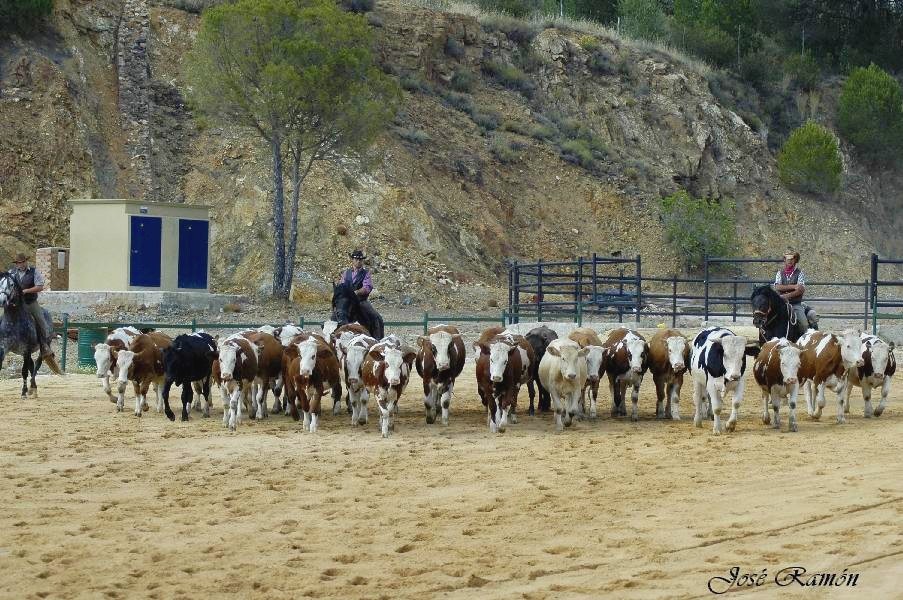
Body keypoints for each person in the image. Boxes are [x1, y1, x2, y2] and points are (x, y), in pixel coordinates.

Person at [9, 252, 54, 357]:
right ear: (16, 264)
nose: (21, 264)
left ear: (26, 261)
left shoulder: (34, 272)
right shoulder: (11, 272)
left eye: (23, 262)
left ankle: (44, 345)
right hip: (15, 303)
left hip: (30, 302)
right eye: (19, 263)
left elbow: (40, 286)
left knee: (40, 319)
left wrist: (26, 291)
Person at [337, 250, 384, 339]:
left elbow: (367, 287)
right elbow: (342, 285)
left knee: (375, 317)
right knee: (337, 315)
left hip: (361, 301)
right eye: (356, 259)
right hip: (348, 301)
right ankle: (334, 336)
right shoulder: (346, 273)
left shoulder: (366, 273)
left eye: (360, 260)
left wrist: (356, 292)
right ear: (352, 260)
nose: (358, 261)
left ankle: (377, 339)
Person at [773, 250, 818, 331]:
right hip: (781, 304)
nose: (790, 260)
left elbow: (800, 290)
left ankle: (805, 341)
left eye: (792, 259)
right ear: (784, 260)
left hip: (795, 304)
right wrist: (794, 286)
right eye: (788, 258)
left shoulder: (800, 273)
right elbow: (777, 287)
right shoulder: (779, 273)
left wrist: (785, 296)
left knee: (804, 325)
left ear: (795, 260)